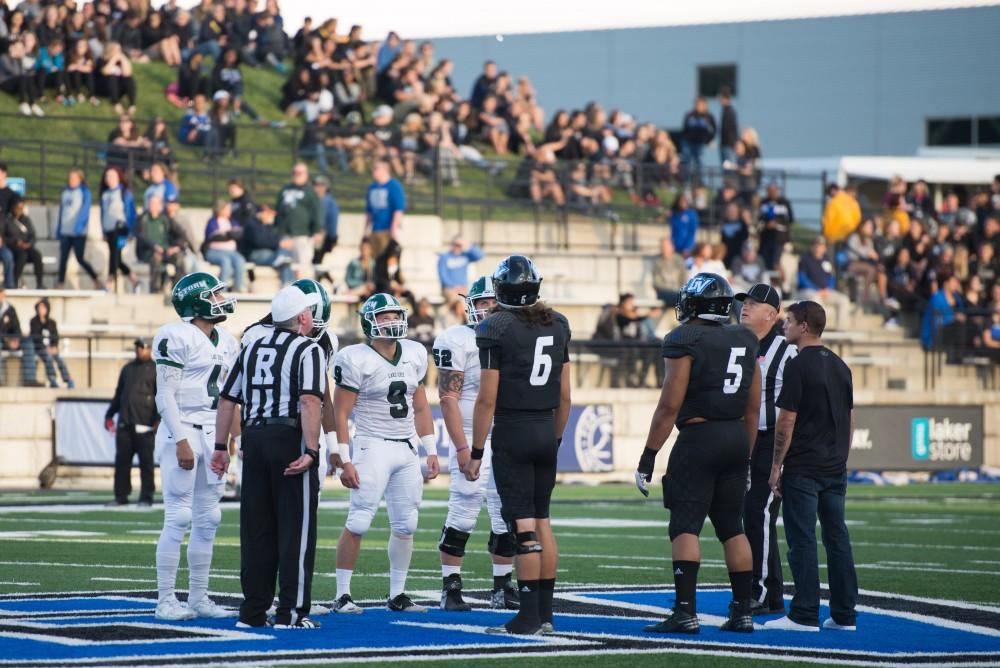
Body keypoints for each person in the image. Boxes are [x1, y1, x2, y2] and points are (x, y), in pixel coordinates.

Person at [635, 272, 762, 634]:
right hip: (736, 436)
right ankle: (742, 613)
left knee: (685, 526)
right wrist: (747, 456)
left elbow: (668, 406)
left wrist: (648, 457)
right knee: (733, 528)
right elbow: (753, 408)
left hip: (699, 438)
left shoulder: (684, 337)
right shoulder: (744, 337)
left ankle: (685, 612)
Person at [464, 256, 572, 635]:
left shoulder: (495, 327)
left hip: (513, 431)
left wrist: (476, 451)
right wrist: (555, 438)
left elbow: (487, 400)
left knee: (523, 525)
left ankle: (527, 618)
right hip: (545, 430)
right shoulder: (558, 323)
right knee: (543, 522)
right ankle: (545, 615)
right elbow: (566, 396)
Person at [216, 285, 327, 629]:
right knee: (296, 529)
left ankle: (252, 612)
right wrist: (311, 449)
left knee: (257, 529)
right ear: (303, 317)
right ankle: (291, 613)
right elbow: (310, 401)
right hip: (287, 436)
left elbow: (226, 399)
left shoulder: (250, 346)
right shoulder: (307, 348)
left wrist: (221, 447)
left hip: (253, 437)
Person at [331, 293, 440, 614]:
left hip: (406, 447)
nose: (392, 322)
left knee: (407, 524)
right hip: (372, 444)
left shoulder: (415, 353)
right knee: (360, 520)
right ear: (369, 322)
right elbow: (340, 413)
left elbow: (420, 405)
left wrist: (430, 449)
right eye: (384, 317)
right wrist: (344, 458)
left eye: (395, 315)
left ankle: (397, 594)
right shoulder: (356, 358)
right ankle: (342, 594)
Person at [765, 301, 858, 632]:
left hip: (804, 466)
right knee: (837, 539)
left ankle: (804, 613)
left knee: (802, 539)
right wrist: (841, 459)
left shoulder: (797, 365)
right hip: (834, 466)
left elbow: (786, 420)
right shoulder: (840, 365)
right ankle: (845, 615)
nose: (784, 325)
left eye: (789, 321)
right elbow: (849, 419)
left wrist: (776, 465)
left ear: (805, 326)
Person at [152, 272, 240, 621]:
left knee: (209, 519)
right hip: (183, 428)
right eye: (214, 296)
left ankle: (199, 597)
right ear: (197, 301)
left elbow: (229, 399)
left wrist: (228, 441)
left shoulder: (228, 341)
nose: (221, 301)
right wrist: (181, 440)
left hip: (210, 431)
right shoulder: (175, 335)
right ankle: (165, 600)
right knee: (179, 516)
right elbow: (165, 395)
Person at [433, 276, 519, 612]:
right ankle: (450, 588)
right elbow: (448, 398)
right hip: (470, 437)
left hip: (505, 437)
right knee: (465, 508)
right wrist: (462, 448)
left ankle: (502, 586)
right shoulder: (456, 340)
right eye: (482, 302)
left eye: (494, 303)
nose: (489, 309)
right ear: (470, 305)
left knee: (505, 513)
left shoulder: (512, 339)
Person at [735, 284, 797, 615]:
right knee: (757, 516)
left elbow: (798, 403)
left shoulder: (787, 351)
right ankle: (773, 594)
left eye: (753, 303)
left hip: (773, 440)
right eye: (744, 301)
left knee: (757, 512)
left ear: (772, 315)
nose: (745, 307)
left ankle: (756, 592)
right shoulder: (738, 343)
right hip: (746, 439)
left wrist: (786, 453)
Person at [105, 337, 157, 506]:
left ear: (149, 349)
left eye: (142, 347)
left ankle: (146, 496)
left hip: (145, 425)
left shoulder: (156, 370)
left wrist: (157, 420)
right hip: (125, 423)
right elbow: (119, 393)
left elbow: (161, 397)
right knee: (122, 462)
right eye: (137, 347)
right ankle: (121, 496)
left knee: (146, 464)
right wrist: (109, 414)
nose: (139, 350)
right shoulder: (127, 368)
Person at [55, 168, 100, 290]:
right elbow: (62, 212)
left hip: (78, 233)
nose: (71, 180)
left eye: (74, 178)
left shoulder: (84, 192)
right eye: (70, 178)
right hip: (66, 231)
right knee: (63, 259)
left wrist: (79, 227)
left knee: (80, 258)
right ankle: (60, 284)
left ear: (80, 179)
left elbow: (85, 211)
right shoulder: (65, 192)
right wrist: (58, 229)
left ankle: (96, 279)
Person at [275, 162, 322, 279]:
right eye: (294, 173)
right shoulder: (285, 190)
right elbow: (278, 211)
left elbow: (317, 211)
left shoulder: (310, 191)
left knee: (303, 266)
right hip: (286, 236)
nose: (296, 175)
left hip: (303, 235)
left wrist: (317, 230)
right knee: (285, 265)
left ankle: (304, 293)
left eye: (299, 173)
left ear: (306, 175)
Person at [797, 237, 851, 331]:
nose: (818, 247)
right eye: (816, 245)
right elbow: (802, 278)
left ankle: (841, 330)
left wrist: (828, 288)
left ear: (824, 248)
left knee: (844, 300)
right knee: (815, 298)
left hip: (825, 291)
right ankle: (818, 329)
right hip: (808, 291)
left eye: (821, 245)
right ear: (812, 246)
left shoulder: (826, 259)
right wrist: (817, 289)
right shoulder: (805, 258)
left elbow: (831, 277)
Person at [99, 166, 138, 292]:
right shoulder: (105, 195)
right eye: (107, 177)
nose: (109, 179)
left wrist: (131, 231)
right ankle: (134, 279)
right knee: (118, 259)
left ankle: (109, 281)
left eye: (112, 176)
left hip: (120, 228)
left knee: (114, 254)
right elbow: (103, 213)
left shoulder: (125, 192)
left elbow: (131, 213)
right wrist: (103, 231)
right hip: (109, 229)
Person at [242, 205, 295, 287]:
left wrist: (282, 243)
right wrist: (279, 243)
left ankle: (288, 284)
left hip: (269, 253)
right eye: (269, 214)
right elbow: (259, 242)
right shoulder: (251, 224)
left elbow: (274, 239)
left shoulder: (267, 225)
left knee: (284, 260)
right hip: (254, 254)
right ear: (262, 213)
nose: (272, 216)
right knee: (283, 259)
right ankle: (289, 286)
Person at [365, 158, 406, 259]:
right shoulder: (372, 188)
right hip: (375, 229)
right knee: (374, 260)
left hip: (388, 229)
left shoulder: (393, 186)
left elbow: (398, 210)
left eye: (376, 168)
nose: (373, 171)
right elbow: (369, 212)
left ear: (385, 170)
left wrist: (393, 229)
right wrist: (366, 230)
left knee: (389, 261)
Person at [29, 298, 74, 389]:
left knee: (59, 359)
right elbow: (35, 337)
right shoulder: (34, 322)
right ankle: (52, 379)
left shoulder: (52, 323)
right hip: (39, 348)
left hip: (51, 348)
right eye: (39, 308)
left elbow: (55, 337)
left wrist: (54, 347)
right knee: (48, 358)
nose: (41, 310)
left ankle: (68, 379)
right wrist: (45, 348)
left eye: (43, 308)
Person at [203, 200, 246, 293]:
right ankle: (222, 290)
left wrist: (227, 234)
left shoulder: (232, 221)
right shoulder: (213, 222)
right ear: (220, 210)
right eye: (227, 209)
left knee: (240, 260)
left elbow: (239, 234)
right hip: (214, 251)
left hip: (231, 252)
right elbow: (216, 237)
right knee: (226, 261)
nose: (229, 211)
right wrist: (229, 234)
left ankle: (238, 287)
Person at [0, 286, 40, 386]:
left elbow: (16, 327)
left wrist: (16, 339)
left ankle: (30, 379)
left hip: (10, 339)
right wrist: (6, 340)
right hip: (2, 340)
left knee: (28, 342)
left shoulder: (10, 309)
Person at [4, 197, 44, 289]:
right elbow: (4, 236)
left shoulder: (26, 219)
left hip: (26, 246)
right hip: (13, 247)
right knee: (22, 255)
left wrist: (29, 243)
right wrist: (16, 242)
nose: (19, 210)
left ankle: (39, 284)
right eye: (18, 208)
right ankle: (14, 282)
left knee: (37, 255)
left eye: (21, 208)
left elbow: (32, 235)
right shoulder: (7, 220)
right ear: (12, 207)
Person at [758, 183, 794, 272]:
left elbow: (790, 220)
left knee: (776, 263)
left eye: (774, 191)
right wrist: (767, 225)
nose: (772, 193)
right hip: (765, 238)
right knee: (764, 261)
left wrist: (776, 223)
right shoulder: (763, 203)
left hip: (779, 239)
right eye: (770, 191)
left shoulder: (784, 203)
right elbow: (759, 219)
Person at [438, 236, 484, 304]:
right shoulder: (445, 257)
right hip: (449, 288)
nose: (458, 247)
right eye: (456, 245)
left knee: (475, 302)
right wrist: (454, 287)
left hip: (463, 288)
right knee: (457, 302)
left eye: (460, 245)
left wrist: (469, 245)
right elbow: (443, 275)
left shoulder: (465, 255)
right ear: (452, 245)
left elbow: (479, 255)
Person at [311, 175, 339, 281]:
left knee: (316, 262)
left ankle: (331, 282)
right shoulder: (314, 200)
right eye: (315, 185)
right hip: (314, 236)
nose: (317, 188)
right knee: (316, 262)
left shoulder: (329, 202)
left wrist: (332, 238)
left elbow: (332, 221)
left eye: (320, 185)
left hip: (323, 236)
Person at [652, 237, 687, 307]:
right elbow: (657, 283)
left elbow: (684, 279)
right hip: (664, 292)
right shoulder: (657, 262)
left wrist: (679, 290)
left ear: (672, 247)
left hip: (677, 292)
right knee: (679, 298)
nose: (664, 249)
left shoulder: (679, 260)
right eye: (662, 247)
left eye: (666, 246)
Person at [718, 87, 738, 166]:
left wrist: (732, 144)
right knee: (726, 168)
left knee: (729, 168)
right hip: (726, 145)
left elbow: (730, 130)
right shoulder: (726, 110)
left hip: (728, 145)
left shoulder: (730, 111)